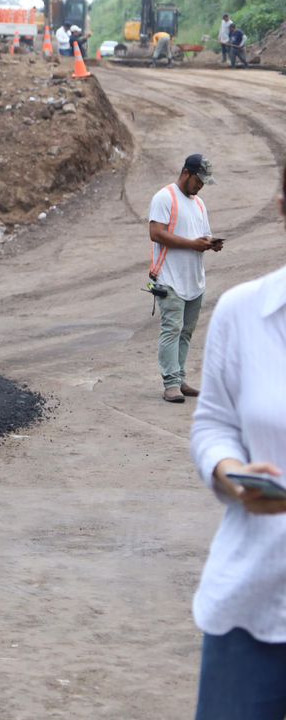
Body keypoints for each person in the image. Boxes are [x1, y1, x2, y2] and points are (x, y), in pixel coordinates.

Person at [188, 160, 286, 719]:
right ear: (282, 208)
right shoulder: (244, 314)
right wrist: (229, 471)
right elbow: (214, 425)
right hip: (252, 603)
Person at [148, 154, 224, 403]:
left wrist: (210, 244)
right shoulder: (165, 197)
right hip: (170, 279)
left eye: (203, 182)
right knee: (172, 329)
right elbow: (156, 233)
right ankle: (170, 383)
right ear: (186, 173)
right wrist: (193, 244)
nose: (200, 186)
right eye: (198, 181)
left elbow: (201, 235)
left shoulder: (199, 204)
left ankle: (179, 378)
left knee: (187, 332)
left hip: (194, 280)